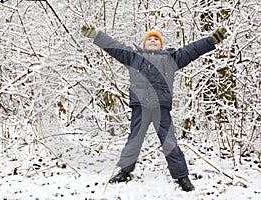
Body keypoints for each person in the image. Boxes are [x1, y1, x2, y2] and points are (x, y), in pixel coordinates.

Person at [81, 25, 227, 191]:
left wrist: (211, 40)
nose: (152, 41)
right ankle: (125, 171)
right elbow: (114, 46)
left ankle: (182, 176)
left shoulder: (170, 58)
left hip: (160, 106)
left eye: (156, 39)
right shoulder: (134, 57)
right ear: (144, 44)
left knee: (169, 141)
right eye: (149, 39)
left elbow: (192, 50)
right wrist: (96, 35)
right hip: (140, 107)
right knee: (134, 139)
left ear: (161, 45)